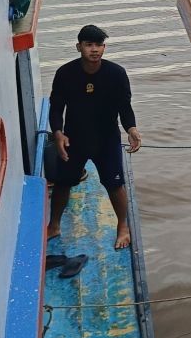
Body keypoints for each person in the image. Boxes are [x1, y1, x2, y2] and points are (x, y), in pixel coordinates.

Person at [48, 25, 142, 249]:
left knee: (115, 184)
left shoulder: (116, 74)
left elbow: (124, 107)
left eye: (99, 45)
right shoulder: (65, 73)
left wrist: (131, 129)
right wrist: (58, 134)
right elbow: (56, 108)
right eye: (89, 45)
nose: (94, 50)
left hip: (106, 138)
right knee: (62, 183)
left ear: (104, 47)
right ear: (79, 46)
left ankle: (122, 226)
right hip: (74, 139)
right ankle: (54, 225)